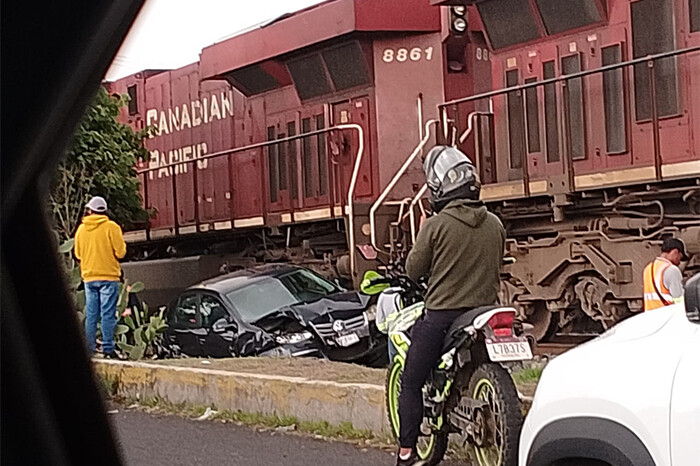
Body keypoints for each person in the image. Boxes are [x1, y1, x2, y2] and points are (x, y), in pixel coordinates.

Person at [395, 146, 505, 465]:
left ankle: (406, 452)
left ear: (439, 187)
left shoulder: (436, 224)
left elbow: (414, 270)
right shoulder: (495, 224)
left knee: (412, 381)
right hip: (484, 315)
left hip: (442, 318)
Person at [74, 196, 127, 358]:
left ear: (90, 210)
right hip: (108, 277)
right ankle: (108, 348)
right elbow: (121, 252)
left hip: (89, 278)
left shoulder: (81, 230)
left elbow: (77, 254)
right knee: (107, 314)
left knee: (91, 314)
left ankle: (89, 349)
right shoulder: (112, 227)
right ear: (104, 211)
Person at [642, 237, 688, 311]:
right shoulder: (672, 270)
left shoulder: (648, 268)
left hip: (650, 317)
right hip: (667, 317)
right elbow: (679, 300)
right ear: (675, 252)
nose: (679, 262)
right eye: (680, 257)